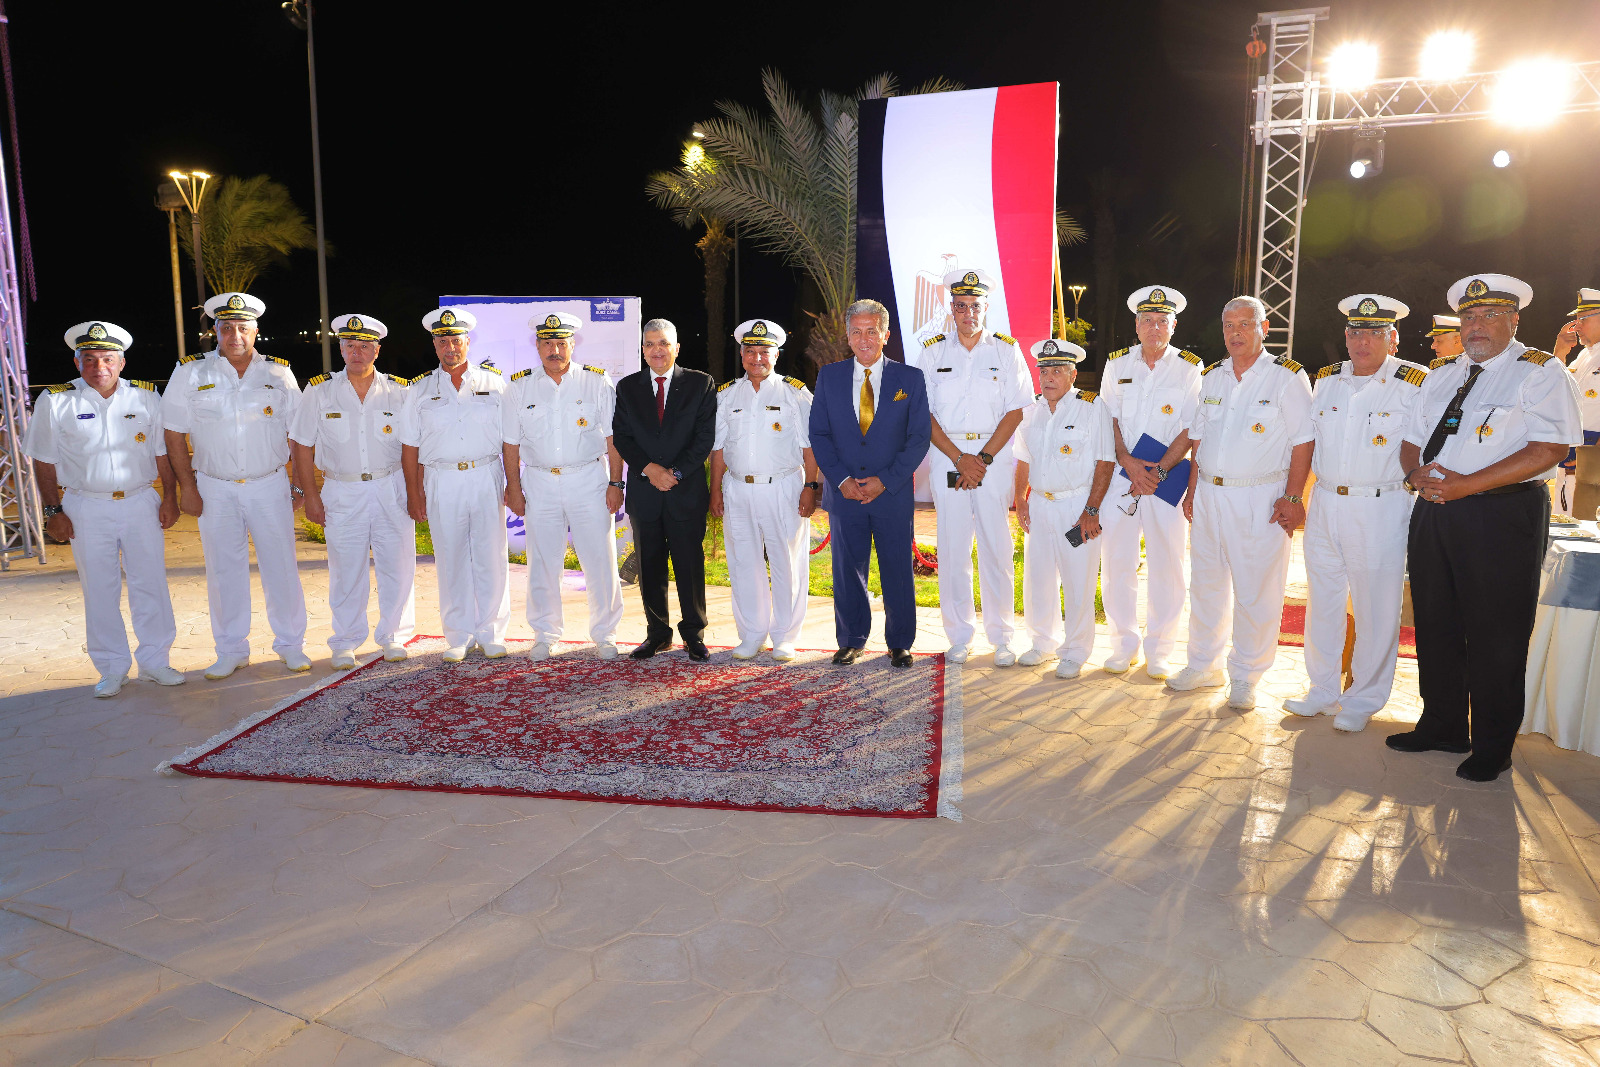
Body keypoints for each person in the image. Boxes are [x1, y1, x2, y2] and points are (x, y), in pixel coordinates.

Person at [1394, 274, 1581, 782]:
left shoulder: (1539, 372)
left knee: (1497, 633)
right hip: (1434, 508)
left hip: (1501, 514)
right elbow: (1411, 438)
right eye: (1469, 317)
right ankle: (1442, 725)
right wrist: (1414, 473)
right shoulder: (1441, 374)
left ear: (1513, 320)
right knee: (1436, 622)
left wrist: (1467, 485)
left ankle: (1493, 746)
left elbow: (1549, 449)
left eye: (1490, 315)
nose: (1476, 326)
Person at [1286, 294, 1427, 732]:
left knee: (1375, 607)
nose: (1363, 341)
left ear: (1393, 338)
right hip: (1327, 501)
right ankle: (1323, 690)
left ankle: (1364, 698)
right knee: (1323, 600)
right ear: (1346, 337)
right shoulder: (1327, 380)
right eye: (1356, 333)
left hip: (1381, 505)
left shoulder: (1415, 383)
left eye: (1375, 333)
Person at [23, 321, 183, 697]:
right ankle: (112, 668)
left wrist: (170, 497)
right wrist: (53, 512)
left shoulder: (146, 396)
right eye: (90, 359)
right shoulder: (56, 400)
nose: (100, 367)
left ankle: (156, 661)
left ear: (122, 362)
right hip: (86, 506)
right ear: (77, 362)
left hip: (140, 501)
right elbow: (43, 460)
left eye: (108, 359)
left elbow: (162, 453)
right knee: (99, 589)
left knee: (150, 584)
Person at [1169, 296, 1313, 710]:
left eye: (1245, 324)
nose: (1235, 333)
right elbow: (1199, 440)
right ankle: (1203, 664)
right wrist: (1193, 490)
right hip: (1209, 494)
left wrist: (1293, 496)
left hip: (1259, 496)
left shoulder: (1286, 377)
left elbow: (1304, 441)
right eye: (1229, 325)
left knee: (1256, 590)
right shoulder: (1213, 377)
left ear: (1264, 329)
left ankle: (1247, 675)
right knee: (1206, 584)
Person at [162, 292, 309, 679]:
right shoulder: (190, 373)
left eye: (243, 328)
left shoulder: (278, 373)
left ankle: (291, 645)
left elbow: (298, 433)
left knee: (281, 567)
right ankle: (230, 650)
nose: (235, 335)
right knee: (223, 571)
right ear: (216, 331)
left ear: (255, 331)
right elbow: (173, 433)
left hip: (269, 484)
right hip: (215, 487)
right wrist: (187, 487)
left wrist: (297, 484)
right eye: (226, 328)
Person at [809, 298, 932, 667]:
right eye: (857, 332)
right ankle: (851, 639)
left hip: (891, 494)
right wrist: (842, 479)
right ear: (848, 337)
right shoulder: (829, 377)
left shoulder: (910, 378)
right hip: (844, 494)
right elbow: (819, 434)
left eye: (872, 331)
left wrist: (886, 480)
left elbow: (918, 438)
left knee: (897, 569)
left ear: (885, 335)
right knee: (847, 570)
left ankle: (900, 642)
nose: (864, 339)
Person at [919, 269, 1033, 666]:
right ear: (951, 309)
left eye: (975, 306)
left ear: (986, 308)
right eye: (961, 306)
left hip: (992, 458)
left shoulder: (1005, 350)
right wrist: (959, 458)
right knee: (952, 547)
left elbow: (1016, 410)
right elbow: (923, 413)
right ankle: (959, 636)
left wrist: (981, 459)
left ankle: (1002, 638)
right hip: (947, 454)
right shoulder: (933, 352)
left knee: (996, 546)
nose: (969, 313)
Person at [290, 313, 416, 669]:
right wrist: (309, 494)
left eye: (364, 346)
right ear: (341, 349)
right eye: (349, 346)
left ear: (377, 350)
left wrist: (414, 492)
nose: (356, 352)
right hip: (341, 490)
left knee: (398, 565)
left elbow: (413, 446)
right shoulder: (319, 391)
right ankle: (345, 641)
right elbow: (301, 445)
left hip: (390, 487)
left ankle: (394, 636)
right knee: (346, 570)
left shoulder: (400, 392)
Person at [502, 311, 625, 661]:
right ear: (537, 345)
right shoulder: (519, 386)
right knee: (543, 562)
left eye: (560, 343)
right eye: (547, 343)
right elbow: (510, 444)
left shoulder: (596, 382)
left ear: (573, 344)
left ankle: (605, 634)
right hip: (540, 481)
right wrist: (514, 488)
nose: (554, 350)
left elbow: (613, 438)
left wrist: (616, 482)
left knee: (600, 560)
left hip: (589, 480)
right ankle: (545, 634)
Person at [1097, 285, 1202, 679]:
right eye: (1147, 320)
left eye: (1162, 321)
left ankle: (1160, 650)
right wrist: (1126, 460)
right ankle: (1123, 645)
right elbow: (1106, 419)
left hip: (1165, 479)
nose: (1154, 327)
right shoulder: (1116, 365)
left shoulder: (1190, 368)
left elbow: (1192, 427)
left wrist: (1158, 470)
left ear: (1173, 326)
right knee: (1116, 563)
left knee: (1167, 566)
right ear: (1136, 326)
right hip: (1121, 477)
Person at [400, 307, 510, 663]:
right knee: (451, 558)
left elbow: (510, 439)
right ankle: (458, 635)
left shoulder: (494, 384)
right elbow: (410, 446)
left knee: (491, 556)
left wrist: (513, 484)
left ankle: (492, 633)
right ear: (434, 344)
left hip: (485, 473)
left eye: (456, 340)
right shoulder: (419, 389)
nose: (450, 347)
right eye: (443, 340)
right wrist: (414, 493)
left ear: (468, 341)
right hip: (441, 478)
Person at [708, 319, 821, 661]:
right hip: (738, 488)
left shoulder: (794, 393)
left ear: (776, 355)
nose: (757, 358)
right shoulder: (726, 395)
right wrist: (715, 491)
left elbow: (810, 446)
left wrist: (810, 486)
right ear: (742, 354)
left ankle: (785, 636)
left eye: (764, 351)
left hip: (783, 486)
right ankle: (752, 634)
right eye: (750, 351)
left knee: (787, 562)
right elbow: (718, 449)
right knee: (743, 562)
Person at [612, 318, 718, 661]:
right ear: (643, 350)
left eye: (663, 343)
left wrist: (675, 473)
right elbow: (622, 437)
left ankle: (693, 634)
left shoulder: (701, 384)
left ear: (677, 348)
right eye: (650, 344)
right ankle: (657, 634)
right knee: (649, 566)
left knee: (689, 565)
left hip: (685, 491)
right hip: (645, 491)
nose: (657, 350)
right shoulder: (627, 387)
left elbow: (705, 437)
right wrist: (650, 470)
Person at [1013, 340, 1115, 678]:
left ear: (1073, 375)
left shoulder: (1091, 407)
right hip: (1040, 504)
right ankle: (1043, 642)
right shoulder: (1032, 410)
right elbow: (1023, 458)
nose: (1049, 378)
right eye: (1044, 371)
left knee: (1077, 580)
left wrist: (1091, 510)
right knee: (1039, 577)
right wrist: (1021, 498)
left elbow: (1105, 461)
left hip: (1076, 505)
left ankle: (1076, 650)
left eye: (1057, 371)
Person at [1551, 289, 1600, 512]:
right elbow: (1553, 394)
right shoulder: (1585, 355)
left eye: (1583, 319)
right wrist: (1560, 353)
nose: (1576, 326)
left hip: (1593, 460)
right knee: (1567, 526)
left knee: (1589, 526)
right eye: (1576, 320)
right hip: (1570, 456)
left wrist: (1595, 458)